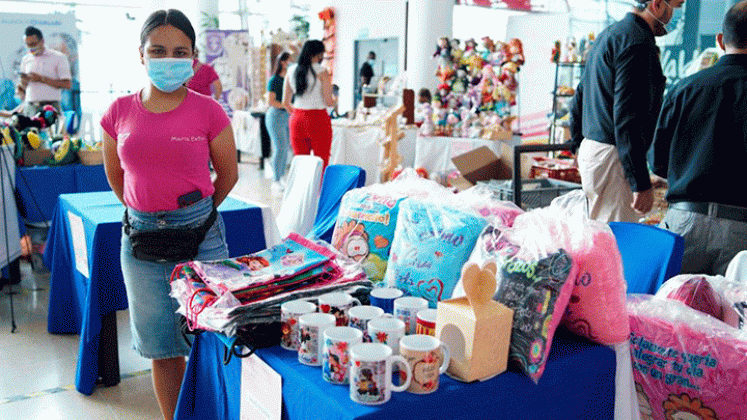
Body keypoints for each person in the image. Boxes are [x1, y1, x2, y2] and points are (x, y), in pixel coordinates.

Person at [99, 9, 238, 420]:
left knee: (209, 343)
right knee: (163, 349)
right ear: (141, 55)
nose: (168, 59)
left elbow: (227, 175)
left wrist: (195, 216)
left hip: (201, 236)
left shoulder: (209, 111)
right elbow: (116, 176)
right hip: (140, 242)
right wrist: (148, 210)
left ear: (193, 58)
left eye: (180, 51)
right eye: (157, 50)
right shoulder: (117, 112)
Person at [649, 1, 747, 276]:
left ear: (720, 40)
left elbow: (658, 163)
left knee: (667, 315)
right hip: (742, 238)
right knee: (731, 317)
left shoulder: (685, 87)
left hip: (682, 224)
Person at [569, 0, 685, 223]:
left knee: (599, 239)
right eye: (676, 7)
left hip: (595, 153)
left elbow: (579, 96)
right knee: (616, 246)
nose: (674, 17)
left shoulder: (609, 35)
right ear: (658, 5)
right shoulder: (638, 43)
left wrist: (576, 145)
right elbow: (628, 118)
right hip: (613, 157)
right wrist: (639, 182)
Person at [283, 39, 337, 170]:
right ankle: (319, 190)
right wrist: (336, 100)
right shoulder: (321, 71)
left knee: (300, 163)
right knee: (321, 161)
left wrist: (298, 113)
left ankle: (303, 191)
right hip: (317, 119)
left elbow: (285, 102)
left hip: (296, 119)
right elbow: (328, 101)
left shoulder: (291, 70)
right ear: (318, 54)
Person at [18, 26, 71, 117]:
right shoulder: (26, 59)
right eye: (28, 44)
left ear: (42, 41)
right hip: (30, 107)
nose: (31, 47)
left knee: (51, 130)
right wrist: (22, 85)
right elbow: (21, 89)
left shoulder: (58, 57)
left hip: (50, 107)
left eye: (34, 44)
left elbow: (67, 84)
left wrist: (41, 79)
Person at [264, 51, 292, 190]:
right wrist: (287, 106)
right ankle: (276, 179)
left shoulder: (289, 78)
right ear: (282, 62)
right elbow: (271, 101)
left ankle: (280, 177)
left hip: (286, 115)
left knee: (285, 148)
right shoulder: (274, 80)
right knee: (279, 148)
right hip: (275, 116)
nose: (291, 63)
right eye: (289, 60)